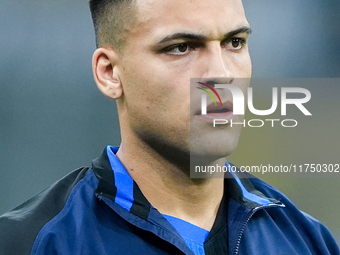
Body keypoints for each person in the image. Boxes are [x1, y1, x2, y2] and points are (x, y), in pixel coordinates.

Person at [0, 0, 339, 254]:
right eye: (181, 47)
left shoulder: (307, 240)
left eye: (234, 42)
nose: (221, 75)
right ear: (109, 73)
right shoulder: (33, 242)